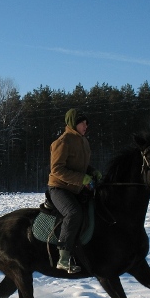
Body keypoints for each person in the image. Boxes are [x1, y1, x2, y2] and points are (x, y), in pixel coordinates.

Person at [48, 108, 102, 273]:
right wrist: (82, 178)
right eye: (82, 123)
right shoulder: (62, 142)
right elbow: (57, 169)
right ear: (73, 123)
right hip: (59, 188)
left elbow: (81, 165)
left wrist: (92, 172)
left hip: (75, 188)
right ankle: (63, 258)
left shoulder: (83, 141)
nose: (86, 126)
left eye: (87, 123)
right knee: (73, 213)